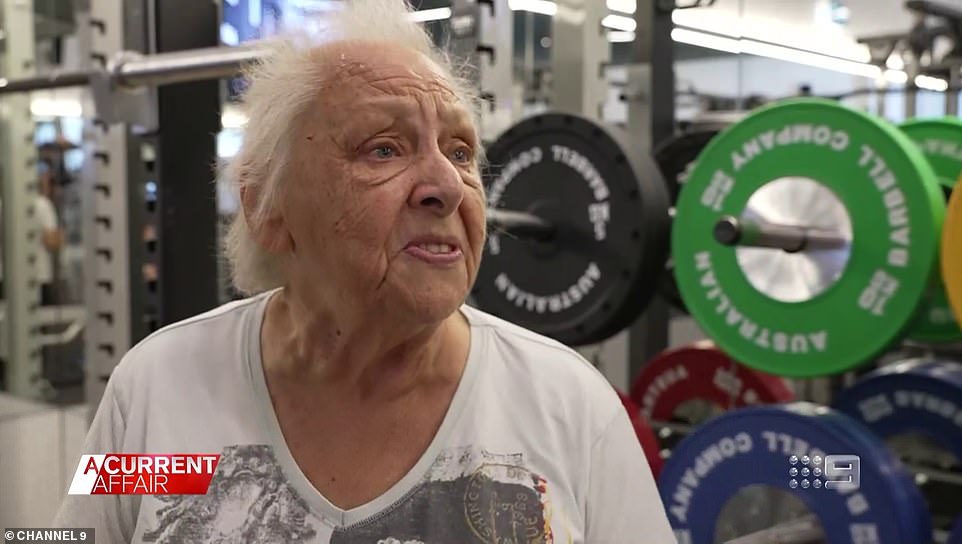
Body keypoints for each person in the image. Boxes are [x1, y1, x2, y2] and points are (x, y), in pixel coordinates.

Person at [54, 1, 675, 542]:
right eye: (384, 148)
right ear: (267, 209)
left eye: (460, 152)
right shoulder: (157, 387)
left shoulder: (570, 409)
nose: (448, 187)